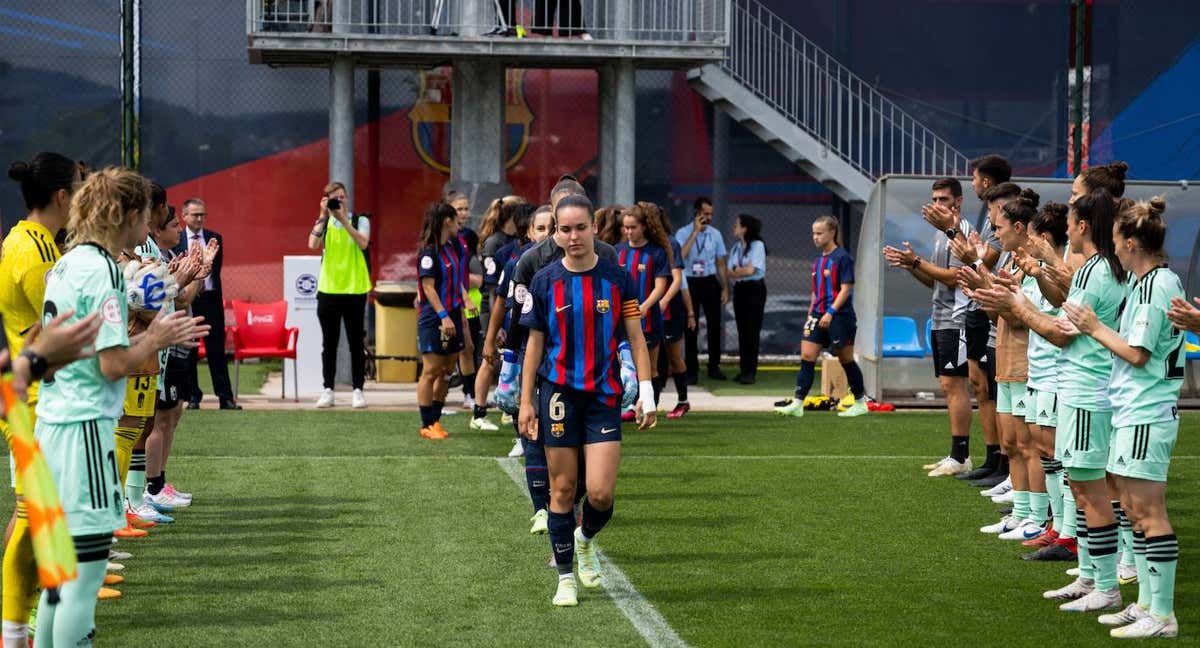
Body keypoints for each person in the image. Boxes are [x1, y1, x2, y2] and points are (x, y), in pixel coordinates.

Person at [33, 166, 206, 647]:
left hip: (55, 421)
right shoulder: (103, 268)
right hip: (84, 429)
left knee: (58, 581)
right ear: (130, 215)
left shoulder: (68, 261)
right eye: (147, 216)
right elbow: (112, 365)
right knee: (82, 582)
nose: (148, 226)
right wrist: (155, 335)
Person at [973, 189, 1125, 609]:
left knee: (1098, 490)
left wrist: (1018, 305)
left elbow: (1060, 331)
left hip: (1088, 390)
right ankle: (1093, 577)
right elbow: (1063, 313)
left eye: (1073, 219)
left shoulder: (1100, 270)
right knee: (1082, 484)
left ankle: (1106, 584)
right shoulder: (1094, 268)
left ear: (1081, 226)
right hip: (1078, 388)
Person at [517, 194, 655, 607]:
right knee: (562, 490)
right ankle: (565, 580)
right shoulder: (545, 281)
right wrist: (526, 402)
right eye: (565, 229)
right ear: (555, 234)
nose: (573, 236)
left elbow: (635, 336)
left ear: (594, 228)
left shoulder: (617, 279)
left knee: (599, 495)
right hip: (557, 394)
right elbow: (535, 345)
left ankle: (584, 539)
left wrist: (646, 393)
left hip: (603, 396)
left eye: (580, 228)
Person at [1057, 196, 1181, 637]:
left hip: (1147, 412)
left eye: (1116, 241)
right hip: (1135, 410)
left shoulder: (1153, 287)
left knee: (1148, 513)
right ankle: (1146, 604)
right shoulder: (1148, 284)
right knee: (1131, 507)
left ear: (1130, 243)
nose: (1114, 250)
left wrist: (1094, 327)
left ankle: (1162, 615)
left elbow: (1137, 353)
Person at [2, 151, 78, 646]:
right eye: (79, 186)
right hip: (27, 401)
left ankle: (22, 615)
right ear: (62, 196)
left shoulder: (41, 243)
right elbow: (48, 332)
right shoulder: (30, 251)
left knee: (39, 512)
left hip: (39, 397)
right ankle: (12, 623)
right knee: (30, 514)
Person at [960, 188, 1050, 541]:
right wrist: (983, 291)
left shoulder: (1033, 267)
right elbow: (1002, 312)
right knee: (1012, 443)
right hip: (1007, 360)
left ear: (1019, 226)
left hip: (1026, 363)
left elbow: (1024, 316)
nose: (994, 235)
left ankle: (1037, 516)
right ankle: (1022, 512)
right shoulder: (1011, 262)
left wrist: (990, 291)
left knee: (1031, 446)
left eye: (999, 228)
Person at [883, 178, 975, 476]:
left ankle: (961, 456)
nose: (937, 205)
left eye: (943, 200)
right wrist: (912, 266)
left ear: (957, 202)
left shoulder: (962, 233)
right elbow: (936, 281)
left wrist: (917, 261)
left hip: (957, 318)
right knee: (948, 385)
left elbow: (953, 278)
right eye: (934, 199)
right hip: (940, 317)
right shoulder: (938, 236)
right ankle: (956, 454)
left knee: (955, 384)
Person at [1008, 203, 1081, 562]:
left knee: (1060, 456)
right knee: (1047, 453)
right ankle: (1057, 526)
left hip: (1057, 374)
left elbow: (1052, 319)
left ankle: (1069, 533)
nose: (1028, 241)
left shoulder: (1064, 271)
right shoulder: (1044, 272)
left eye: (1033, 236)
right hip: (1040, 372)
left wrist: (1023, 301)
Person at [493, 204, 554, 527]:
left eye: (551, 227)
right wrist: (510, 364)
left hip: (565, 362)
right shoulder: (526, 263)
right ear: (530, 233)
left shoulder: (579, 261)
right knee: (532, 430)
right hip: (534, 357)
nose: (546, 234)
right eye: (540, 228)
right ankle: (541, 508)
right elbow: (514, 312)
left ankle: (563, 504)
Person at [775, 215, 868, 418]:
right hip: (818, 316)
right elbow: (815, 292)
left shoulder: (842, 258)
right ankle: (798, 404)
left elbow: (845, 290)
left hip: (839, 316)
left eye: (819, 233)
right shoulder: (818, 261)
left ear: (832, 233)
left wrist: (830, 312)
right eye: (813, 234)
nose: (815, 237)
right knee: (807, 356)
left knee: (845, 359)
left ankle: (861, 402)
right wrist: (812, 315)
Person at [308, 182, 371, 409]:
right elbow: (312, 243)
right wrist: (323, 215)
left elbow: (363, 243)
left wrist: (343, 219)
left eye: (342, 197)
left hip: (354, 289)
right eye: (335, 198)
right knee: (329, 344)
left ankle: (358, 390)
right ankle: (328, 389)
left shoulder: (360, 220)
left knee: (356, 343)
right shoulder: (325, 222)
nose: (339, 201)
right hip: (329, 290)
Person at [176, 198, 240, 410]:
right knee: (190, 349)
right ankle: (193, 396)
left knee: (216, 351)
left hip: (211, 300)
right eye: (195, 215)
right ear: (184, 216)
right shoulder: (177, 240)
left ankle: (225, 397)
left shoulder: (215, 239)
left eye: (203, 214)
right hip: (188, 299)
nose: (200, 218)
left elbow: (215, 272)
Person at [416, 202, 470, 440]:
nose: (461, 222)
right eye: (457, 218)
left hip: (455, 315)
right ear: (447, 221)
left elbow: (457, 281)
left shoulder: (453, 246)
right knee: (431, 370)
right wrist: (443, 316)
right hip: (435, 318)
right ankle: (426, 424)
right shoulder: (429, 252)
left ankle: (436, 420)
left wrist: (463, 307)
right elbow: (428, 289)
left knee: (448, 369)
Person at [615, 203, 671, 423]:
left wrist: (645, 306)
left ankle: (649, 406)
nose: (629, 231)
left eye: (633, 227)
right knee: (625, 365)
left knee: (650, 366)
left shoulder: (656, 253)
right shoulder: (617, 251)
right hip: (621, 321)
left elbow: (660, 286)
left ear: (644, 227)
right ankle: (629, 405)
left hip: (648, 320)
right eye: (625, 227)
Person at [676, 197, 729, 383]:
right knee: (691, 327)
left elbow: (721, 263)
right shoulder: (683, 233)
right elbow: (680, 257)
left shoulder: (715, 234)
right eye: (705, 214)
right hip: (689, 282)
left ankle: (714, 366)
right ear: (696, 213)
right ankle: (692, 370)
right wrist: (695, 233)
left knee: (715, 325)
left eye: (710, 214)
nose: (708, 217)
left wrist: (725, 287)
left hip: (709, 281)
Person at [650, 206, 693, 419]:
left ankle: (683, 400)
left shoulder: (670, 243)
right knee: (654, 361)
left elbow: (678, 280)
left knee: (674, 356)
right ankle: (651, 403)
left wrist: (665, 300)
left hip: (668, 311)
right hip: (650, 309)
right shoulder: (645, 246)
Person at [728, 214, 767, 386]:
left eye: (737, 225)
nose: (734, 228)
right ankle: (744, 369)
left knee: (752, 330)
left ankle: (751, 371)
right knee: (742, 331)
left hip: (754, 290)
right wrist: (739, 270)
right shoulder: (736, 247)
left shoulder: (757, 245)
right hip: (740, 289)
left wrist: (738, 270)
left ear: (745, 228)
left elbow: (752, 271)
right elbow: (730, 271)